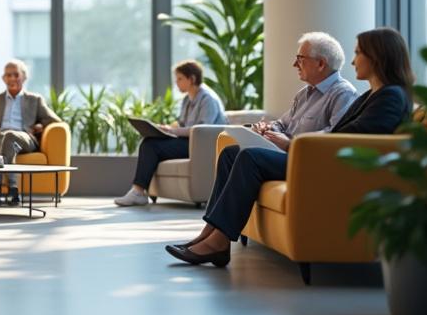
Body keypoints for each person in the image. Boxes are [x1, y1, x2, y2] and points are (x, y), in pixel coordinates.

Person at [166, 28, 412, 267]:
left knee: (250, 159)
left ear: (376, 57)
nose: (353, 60)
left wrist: (292, 143)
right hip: (318, 157)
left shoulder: (388, 96)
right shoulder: (371, 95)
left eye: (358, 53)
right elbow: (339, 134)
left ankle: (218, 243)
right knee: (232, 153)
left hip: (326, 164)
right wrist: (268, 131)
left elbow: (353, 140)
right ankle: (210, 232)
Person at [114, 59, 228, 207]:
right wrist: (164, 128)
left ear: (192, 78)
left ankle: (138, 192)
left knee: (151, 146)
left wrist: (173, 131)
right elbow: (182, 124)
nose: (176, 82)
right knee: (150, 141)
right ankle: (138, 192)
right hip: (188, 142)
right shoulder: (187, 99)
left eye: (180, 78)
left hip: (202, 147)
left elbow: (201, 130)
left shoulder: (208, 99)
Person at [0, 59, 62, 207]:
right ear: (3, 78)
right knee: (5, 138)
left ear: (24, 77)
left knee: (10, 135)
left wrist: (41, 125)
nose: (12, 78)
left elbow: (55, 120)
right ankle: (13, 191)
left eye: (16, 74)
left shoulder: (35, 100)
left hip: (24, 138)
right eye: (8, 75)